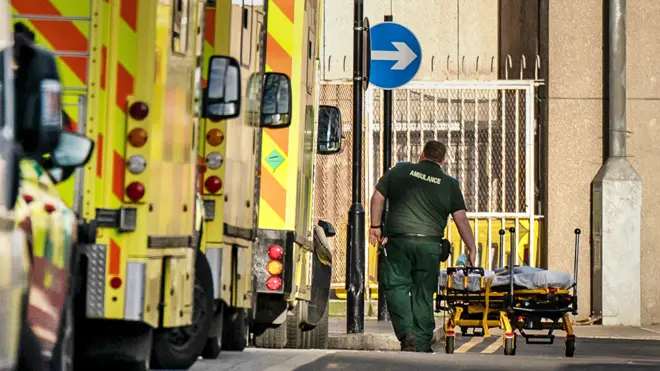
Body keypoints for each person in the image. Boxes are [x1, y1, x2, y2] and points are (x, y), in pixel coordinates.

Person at [368, 140, 477, 353]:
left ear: (421, 154)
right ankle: (423, 343)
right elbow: (461, 219)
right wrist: (472, 248)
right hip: (430, 246)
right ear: (443, 161)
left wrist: (375, 226)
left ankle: (407, 333)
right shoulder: (450, 184)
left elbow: (378, 196)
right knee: (424, 294)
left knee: (396, 287)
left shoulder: (399, 171)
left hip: (399, 242)